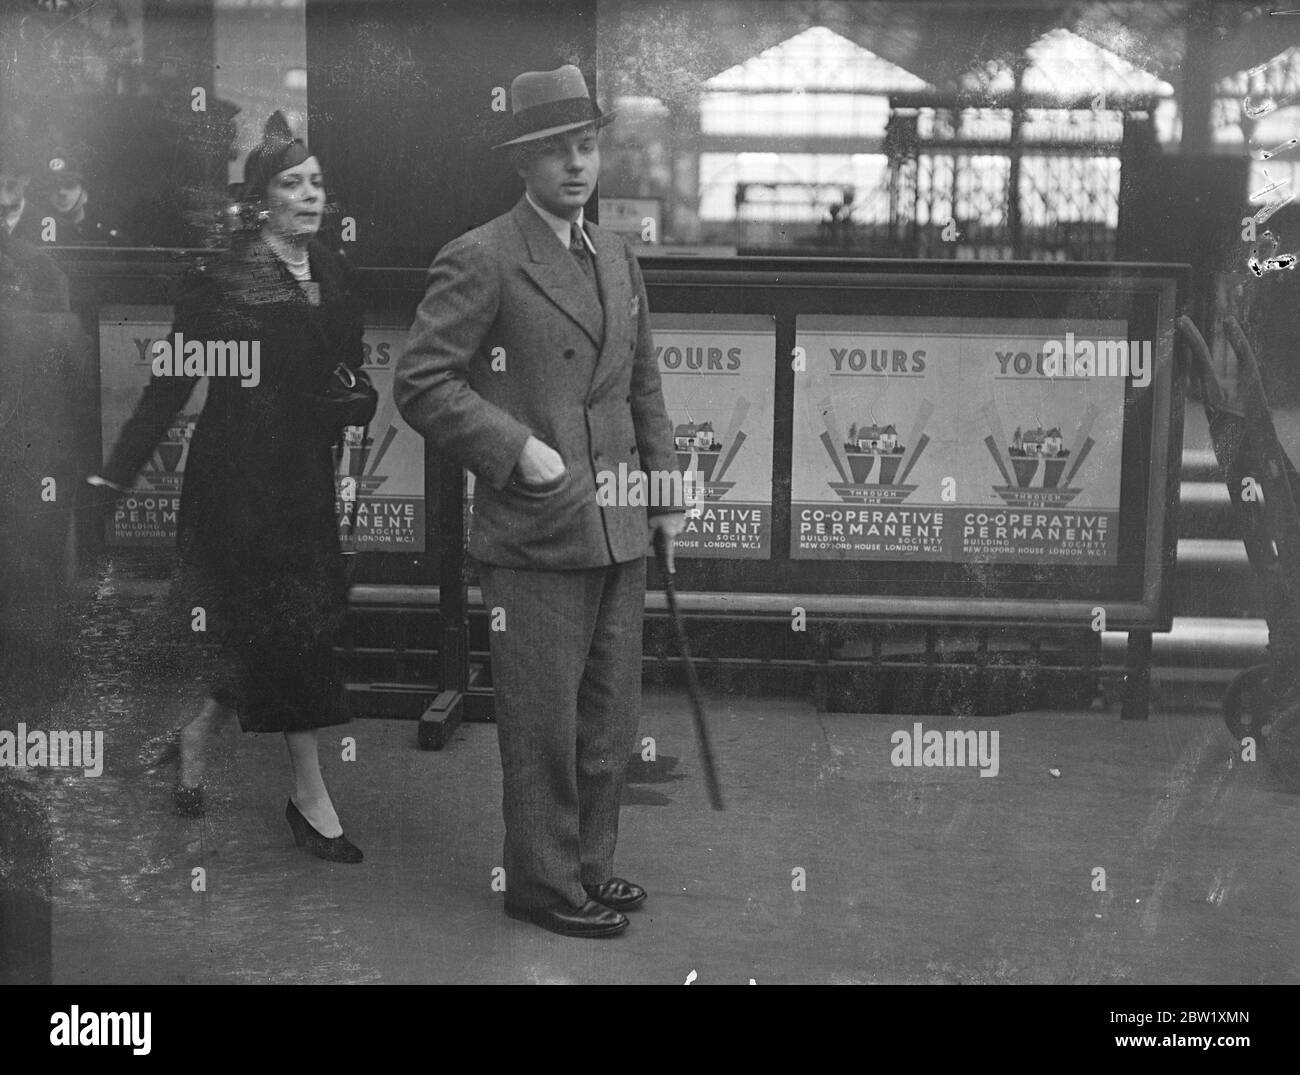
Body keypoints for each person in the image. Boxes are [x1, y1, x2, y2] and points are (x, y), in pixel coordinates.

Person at [395, 65, 686, 938]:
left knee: (608, 720)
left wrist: (664, 491)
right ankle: (544, 885)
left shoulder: (619, 254)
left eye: (587, 147)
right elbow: (420, 381)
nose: (575, 166)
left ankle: (589, 866)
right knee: (542, 726)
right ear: (521, 164)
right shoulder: (483, 254)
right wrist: (512, 446)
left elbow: (643, 383)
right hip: (534, 531)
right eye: (555, 152)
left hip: (619, 522)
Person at [88, 112, 367, 862]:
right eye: (291, 184)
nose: (310, 196)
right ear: (262, 200)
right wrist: (111, 476)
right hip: (235, 480)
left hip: (303, 477)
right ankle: (309, 795)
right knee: (286, 626)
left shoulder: (335, 274)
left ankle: (195, 735)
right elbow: (170, 389)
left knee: (260, 628)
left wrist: (353, 398)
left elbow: (346, 367)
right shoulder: (221, 282)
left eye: (316, 183)